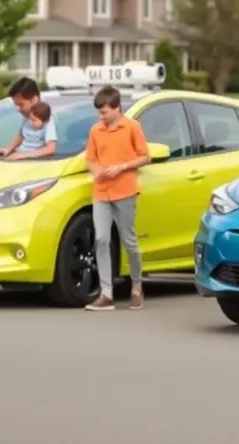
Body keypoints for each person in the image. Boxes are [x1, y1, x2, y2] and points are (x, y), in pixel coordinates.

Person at [84, 85, 151, 311]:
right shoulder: (95, 131)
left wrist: (121, 167)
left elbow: (145, 157)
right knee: (101, 239)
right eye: (99, 112)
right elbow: (90, 159)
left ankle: (137, 287)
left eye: (104, 112)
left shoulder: (132, 127)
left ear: (116, 108)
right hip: (101, 192)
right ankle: (106, 293)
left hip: (125, 190)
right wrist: (96, 171)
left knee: (129, 241)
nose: (101, 117)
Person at [0, 76, 58, 159]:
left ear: (34, 100)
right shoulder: (27, 117)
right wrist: (7, 150)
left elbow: (51, 149)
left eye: (21, 104)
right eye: (16, 105)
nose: (17, 109)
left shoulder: (46, 120)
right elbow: (21, 135)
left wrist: (24, 155)